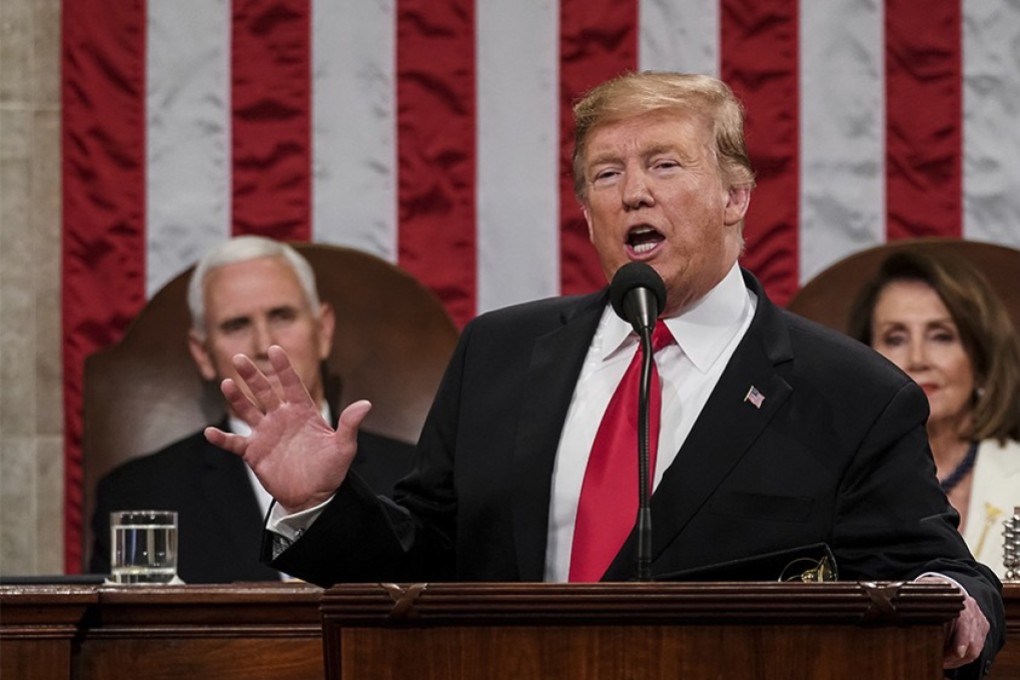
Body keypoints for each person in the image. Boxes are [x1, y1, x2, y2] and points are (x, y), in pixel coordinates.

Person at [207, 73, 1004, 676]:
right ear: (587, 210)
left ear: (736, 196)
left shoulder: (851, 393)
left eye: (664, 163)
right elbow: (424, 567)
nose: (635, 193)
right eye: (607, 174)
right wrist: (319, 504)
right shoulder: (499, 356)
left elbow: (938, 575)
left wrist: (957, 607)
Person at [89, 236, 416, 583]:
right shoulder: (139, 493)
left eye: (282, 316)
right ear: (203, 353)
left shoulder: (414, 477)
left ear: (323, 330)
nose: (264, 344)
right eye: (236, 325)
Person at [847, 248, 1020, 578]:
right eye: (895, 338)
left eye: (941, 336)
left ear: (981, 360)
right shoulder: (841, 486)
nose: (918, 359)